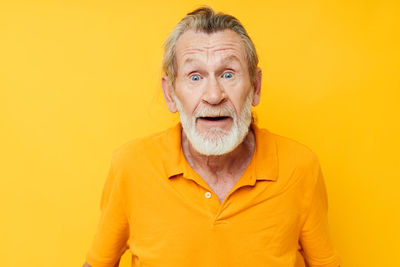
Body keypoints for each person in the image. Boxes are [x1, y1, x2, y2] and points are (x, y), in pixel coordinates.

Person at [83, 7, 340, 267]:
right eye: (195, 77)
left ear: (256, 86)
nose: (214, 95)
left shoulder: (300, 166)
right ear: (170, 94)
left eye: (228, 74)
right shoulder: (131, 167)